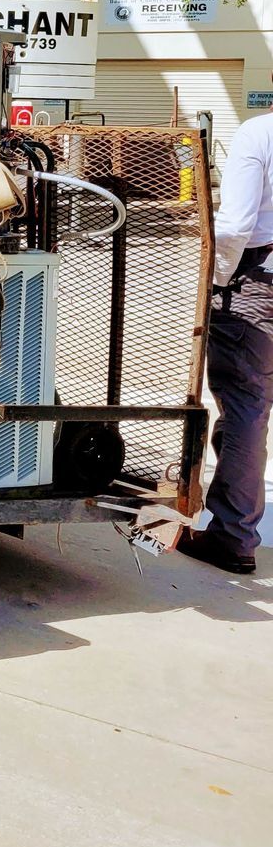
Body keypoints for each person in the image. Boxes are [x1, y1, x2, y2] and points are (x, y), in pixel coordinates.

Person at [188, 110, 273, 574]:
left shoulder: (259, 133)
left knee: (245, 408)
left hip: (257, 282)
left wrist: (215, 280)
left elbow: (237, 224)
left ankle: (234, 536)